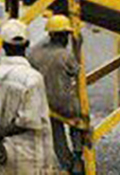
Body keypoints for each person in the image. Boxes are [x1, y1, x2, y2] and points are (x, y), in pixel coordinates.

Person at [0, 19, 55, 175]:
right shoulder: (33, 78)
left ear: (3, 46)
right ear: (27, 45)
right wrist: (1, 134)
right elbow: (27, 119)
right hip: (28, 159)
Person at [29, 15, 84, 175]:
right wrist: (78, 47)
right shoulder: (65, 55)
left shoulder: (35, 53)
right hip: (66, 104)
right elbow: (76, 71)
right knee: (78, 122)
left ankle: (66, 163)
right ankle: (78, 156)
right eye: (66, 35)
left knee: (56, 132)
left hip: (45, 104)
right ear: (62, 36)